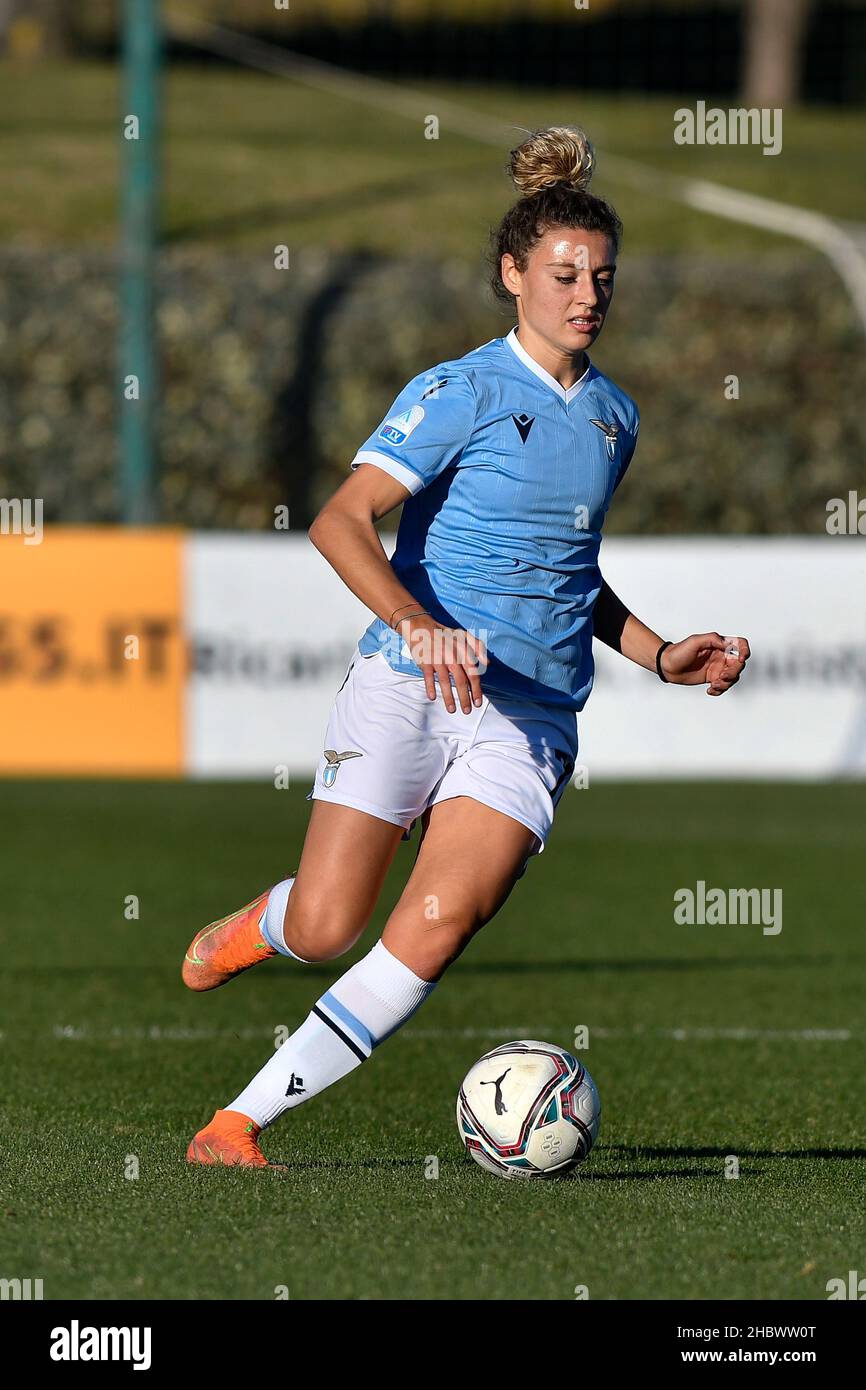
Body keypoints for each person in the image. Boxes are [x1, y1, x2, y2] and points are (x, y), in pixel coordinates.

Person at [182, 126, 751, 1167]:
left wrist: (657, 653)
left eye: (601, 277)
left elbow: (566, 576)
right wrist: (417, 625)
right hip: (407, 681)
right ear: (511, 274)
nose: (585, 293)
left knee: (434, 924)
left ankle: (234, 1124)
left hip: (529, 716)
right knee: (325, 926)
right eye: (562, 272)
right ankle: (262, 927)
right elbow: (340, 521)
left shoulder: (615, 417)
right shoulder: (459, 391)